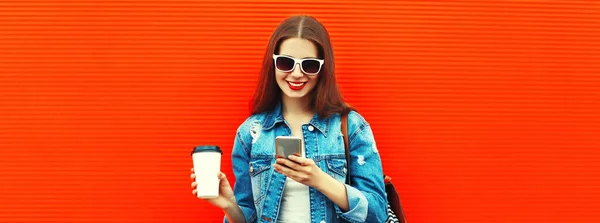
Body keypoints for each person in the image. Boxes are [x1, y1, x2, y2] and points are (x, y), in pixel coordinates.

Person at [190, 15, 387, 223]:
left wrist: (320, 180)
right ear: (273, 63)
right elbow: (248, 217)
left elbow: (377, 212)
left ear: (323, 69)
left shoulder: (351, 127)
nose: (296, 73)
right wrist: (229, 204)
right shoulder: (251, 133)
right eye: (286, 63)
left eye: (309, 65)